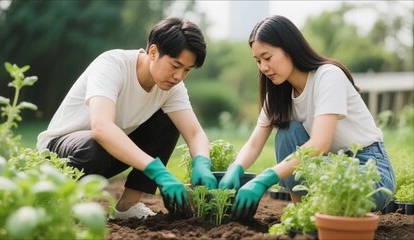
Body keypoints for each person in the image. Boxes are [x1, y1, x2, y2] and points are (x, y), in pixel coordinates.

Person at [37, 17, 217, 219]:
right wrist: (157, 171)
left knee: (169, 120)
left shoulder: (172, 88)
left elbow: (194, 133)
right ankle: (59, 202)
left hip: (106, 154)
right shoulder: (112, 65)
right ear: (153, 52)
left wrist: (202, 162)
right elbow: (101, 127)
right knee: (94, 146)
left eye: (187, 70)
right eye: (175, 65)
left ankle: (128, 206)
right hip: (61, 153)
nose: (179, 76)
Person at [218, 15, 396, 219]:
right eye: (258, 61)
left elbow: (319, 143)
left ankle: (323, 217)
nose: (263, 67)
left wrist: (265, 178)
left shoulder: (328, 76)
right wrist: (235, 168)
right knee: (287, 132)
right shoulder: (278, 96)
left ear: (290, 48)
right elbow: (254, 144)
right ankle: (303, 212)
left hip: (368, 170)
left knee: (322, 169)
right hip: (327, 167)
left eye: (267, 58)